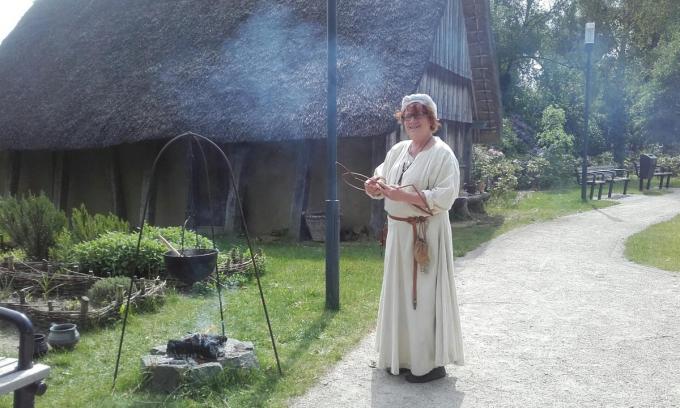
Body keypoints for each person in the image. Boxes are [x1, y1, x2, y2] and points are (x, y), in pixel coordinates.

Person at [364, 93, 464, 383]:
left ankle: (430, 365)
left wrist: (402, 195)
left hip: (425, 234)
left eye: (419, 115)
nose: (412, 120)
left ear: (432, 120)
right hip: (398, 234)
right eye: (407, 116)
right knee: (401, 294)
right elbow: (382, 178)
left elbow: (446, 197)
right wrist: (374, 186)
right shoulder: (398, 150)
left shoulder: (443, 154)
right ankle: (405, 358)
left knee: (423, 296)